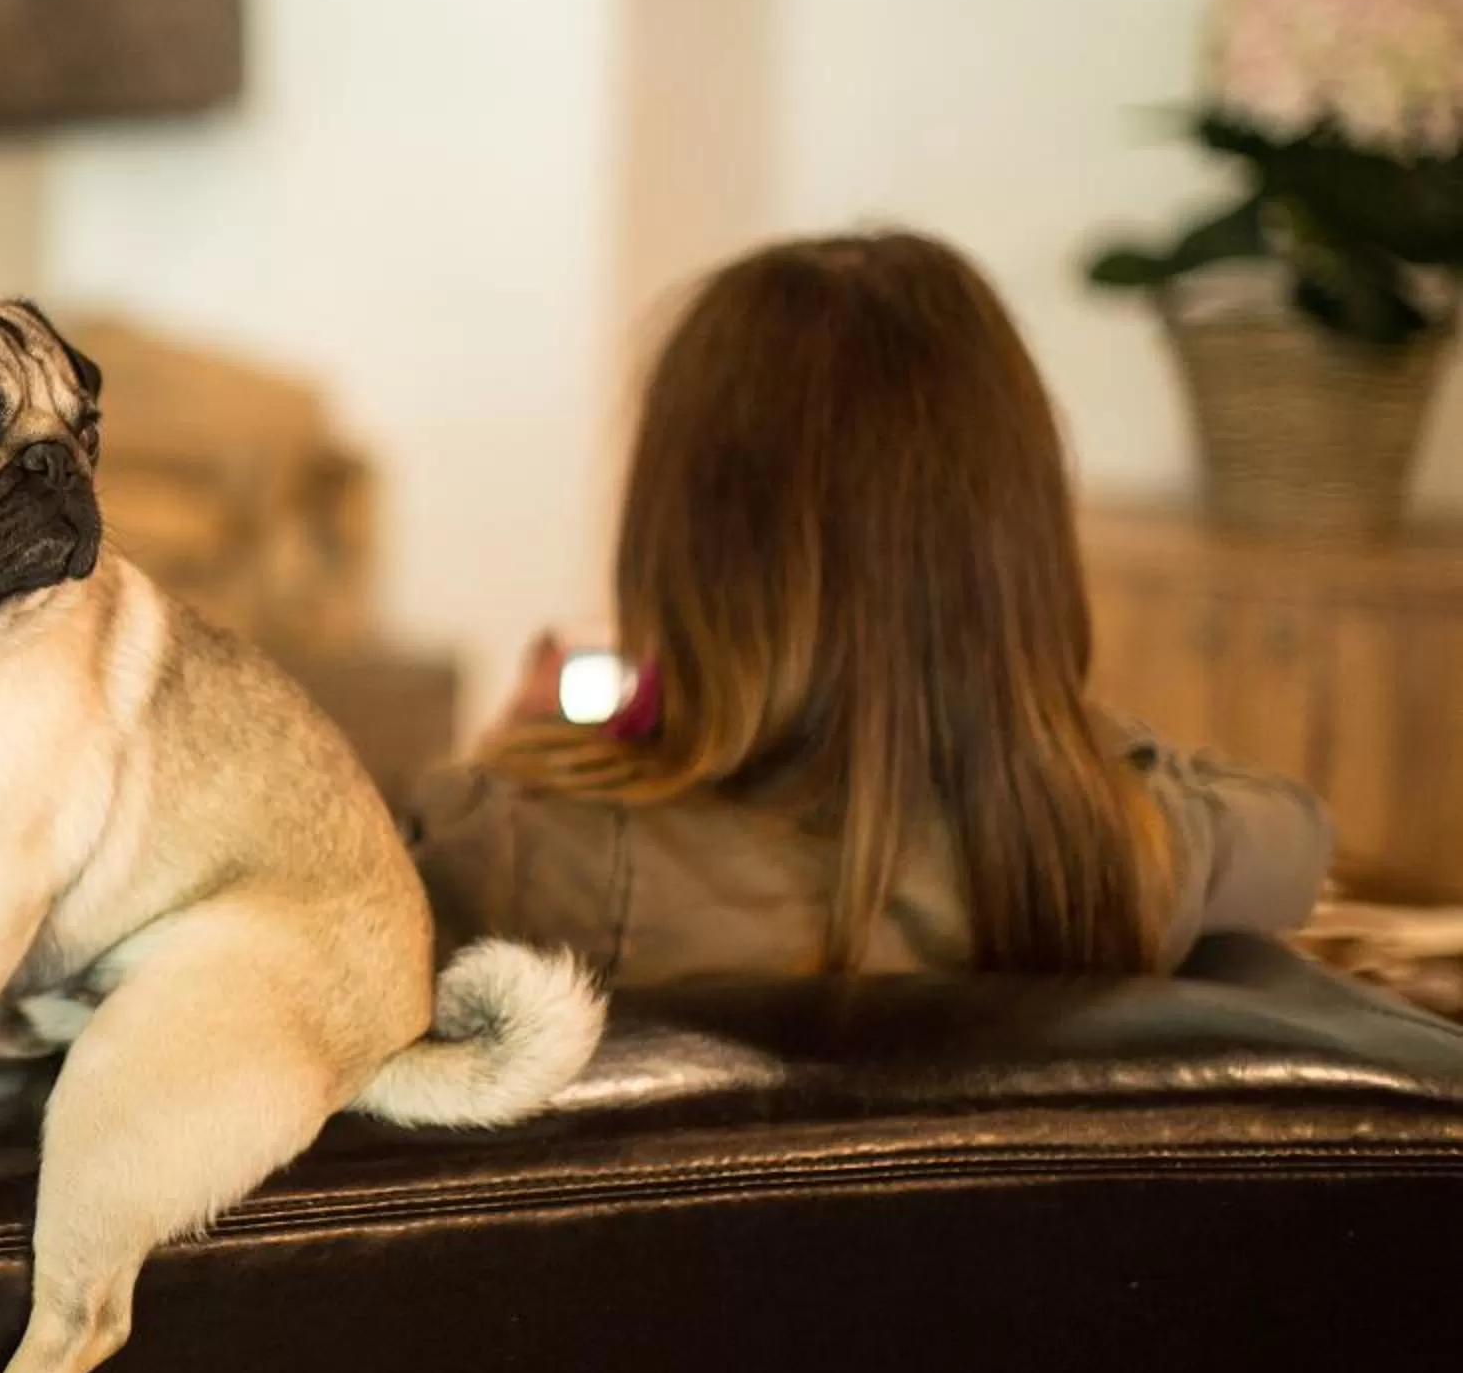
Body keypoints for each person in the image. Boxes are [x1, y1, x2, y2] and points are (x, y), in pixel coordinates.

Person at [408, 231, 1330, 983]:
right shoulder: (1129, 859)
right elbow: (1294, 830)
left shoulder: (518, 855)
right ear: (1014, 548)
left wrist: (526, 746)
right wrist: (1039, 724)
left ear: (683, 550)